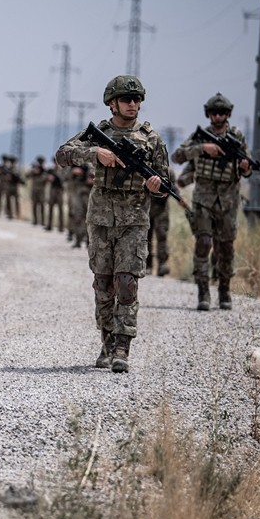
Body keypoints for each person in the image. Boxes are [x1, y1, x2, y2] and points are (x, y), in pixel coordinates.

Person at [56, 75, 170, 373]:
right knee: (103, 284)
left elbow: (164, 182)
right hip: (102, 219)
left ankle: (122, 347)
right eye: (127, 100)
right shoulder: (99, 133)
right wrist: (96, 153)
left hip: (134, 220)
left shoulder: (151, 138)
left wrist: (157, 185)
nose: (133, 105)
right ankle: (106, 342)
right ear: (112, 103)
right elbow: (63, 154)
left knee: (127, 284)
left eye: (137, 100)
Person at [172, 92, 252, 310]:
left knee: (225, 247)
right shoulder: (200, 136)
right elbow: (177, 156)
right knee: (204, 243)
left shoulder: (237, 137)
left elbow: (247, 168)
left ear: (229, 114)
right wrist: (202, 149)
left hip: (228, 201)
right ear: (208, 114)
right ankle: (203, 291)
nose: (218, 116)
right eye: (215, 113)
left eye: (223, 113)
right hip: (203, 200)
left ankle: (224, 289)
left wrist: (246, 168)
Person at [146, 193, 170, 277]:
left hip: (161, 206)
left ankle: (162, 264)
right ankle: (147, 265)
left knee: (162, 234)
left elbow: (172, 184)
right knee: (146, 235)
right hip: (146, 204)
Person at [67, 164, 91, 249]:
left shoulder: (90, 166)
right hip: (77, 195)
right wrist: (73, 172)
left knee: (89, 219)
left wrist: (90, 177)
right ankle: (78, 240)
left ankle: (89, 241)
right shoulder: (73, 164)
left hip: (88, 195)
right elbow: (67, 177)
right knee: (77, 217)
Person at [45, 160, 66, 233]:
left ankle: (61, 227)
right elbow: (46, 179)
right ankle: (49, 225)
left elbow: (64, 180)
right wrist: (49, 178)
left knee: (60, 209)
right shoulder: (51, 171)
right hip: (53, 190)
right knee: (50, 208)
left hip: (60, 191)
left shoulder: (63, 171)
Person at [1, 155, 23, 219]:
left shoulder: (16, 170)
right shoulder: (7, 170)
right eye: (11, 162)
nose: (12, 164)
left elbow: (20, 179)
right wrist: (6, 177)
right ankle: (9, 213)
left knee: (16, 201)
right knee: (8, 201)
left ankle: (17, 213)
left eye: (13, 163)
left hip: (15, 187)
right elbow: (3, 177)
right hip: (9, 187)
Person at [28, 156, 46, 225]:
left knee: (42, 206)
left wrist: (40, 173)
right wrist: (33, 171)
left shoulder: (44, 171)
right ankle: (35, 220)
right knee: (34, 206)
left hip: (41, 191)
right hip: (34, 190)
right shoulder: (34, 170)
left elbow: (45, 179)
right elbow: (27, 176)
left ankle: (42, 221)